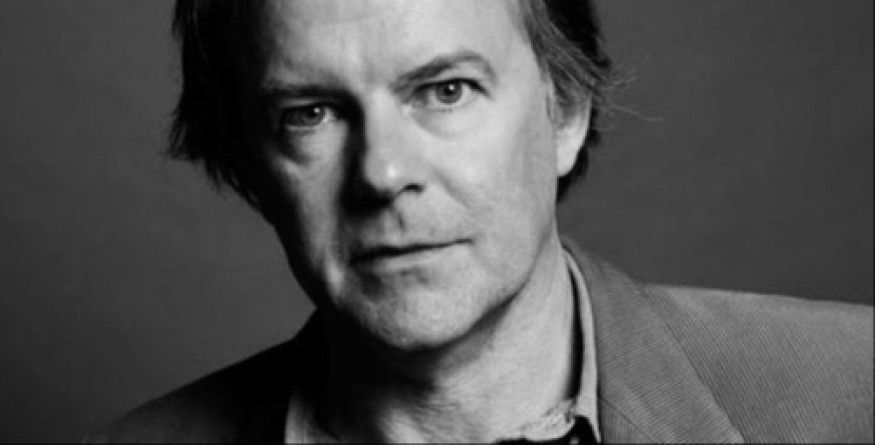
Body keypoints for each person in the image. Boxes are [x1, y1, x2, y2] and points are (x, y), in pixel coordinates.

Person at [89, 0, 873, 442]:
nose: (383, 173)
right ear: (246, 168)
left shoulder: (852, 392)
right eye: (312, 112)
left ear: (565, 111)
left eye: (446, 90)